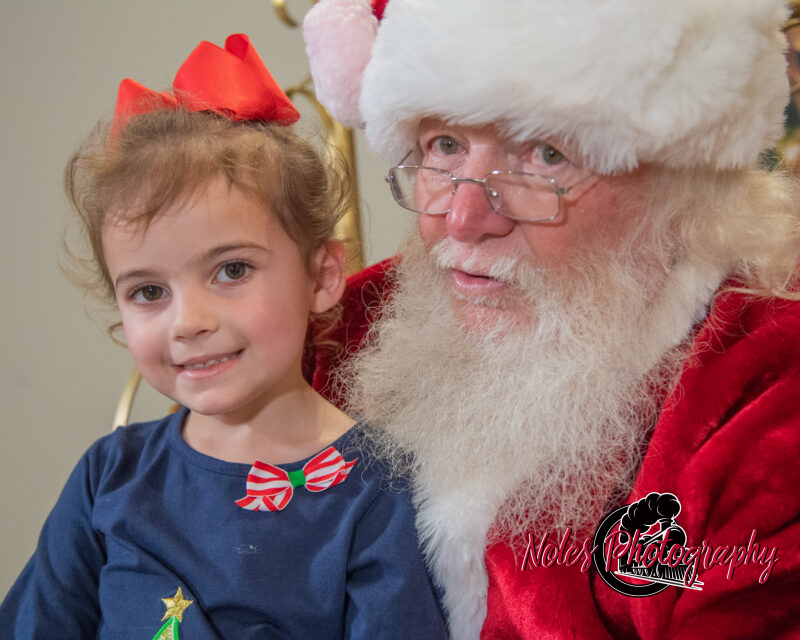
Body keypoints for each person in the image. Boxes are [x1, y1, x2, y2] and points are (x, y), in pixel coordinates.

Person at [302, 1, 800, 638]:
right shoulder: (335, 331)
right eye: (445, 145)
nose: (462, 219)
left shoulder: (770, 403)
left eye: (545, 153)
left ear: (681, 185)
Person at [0, 33, 446, 640]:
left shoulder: (380, 490)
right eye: (148, 291)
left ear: (321, 277)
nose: (188, 322)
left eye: (232, 270)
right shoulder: (108, 477)